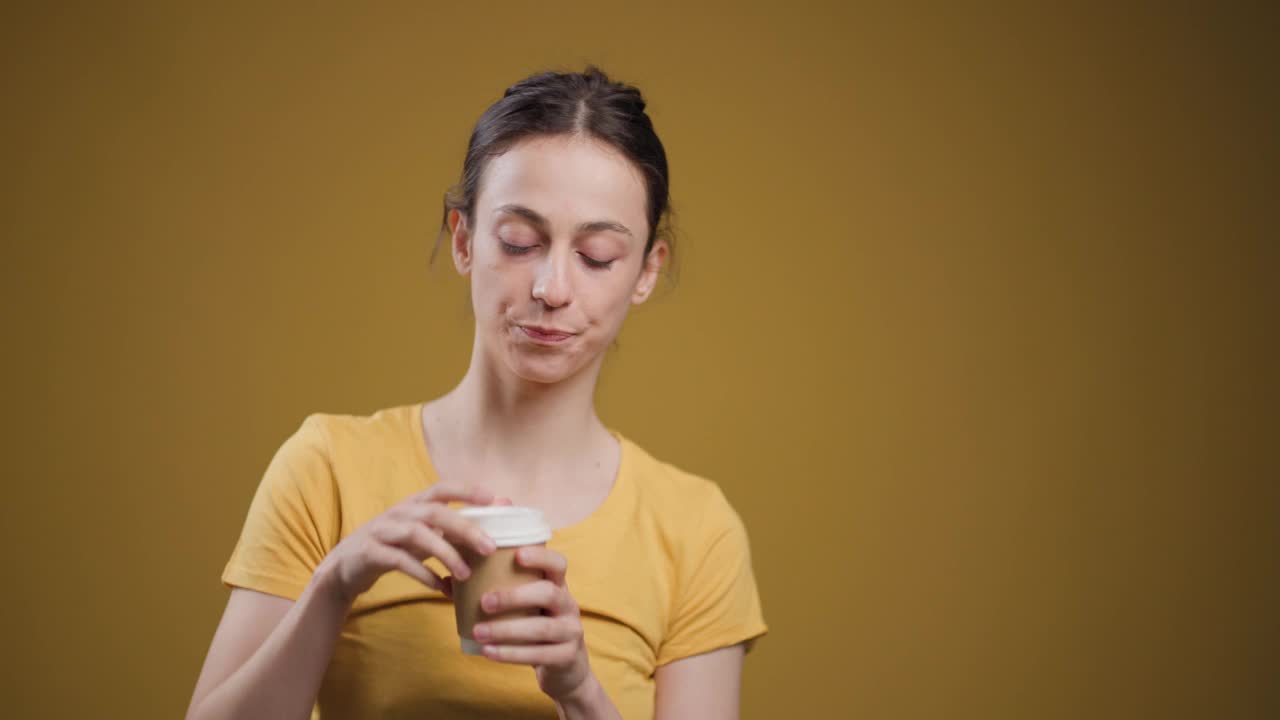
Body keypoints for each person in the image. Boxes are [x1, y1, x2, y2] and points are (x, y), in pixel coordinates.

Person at [185, 66, 767, 720]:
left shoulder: (694, 530)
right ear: (463, 238)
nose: (552, 287)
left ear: (645, 271)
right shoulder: (328, 467)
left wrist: (580, 691)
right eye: (519, 241)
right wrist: (333, 586)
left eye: (597, 255)